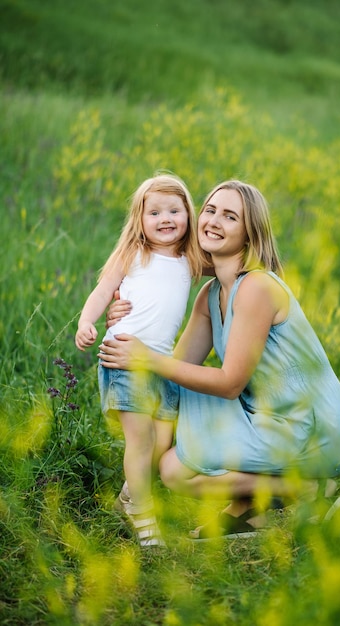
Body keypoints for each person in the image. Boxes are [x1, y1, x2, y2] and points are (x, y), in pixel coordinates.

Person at [99, 179, 340, 540]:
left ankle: (311, 491)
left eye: (230, 216)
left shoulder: (257, 288)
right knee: (168, 399)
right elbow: (174, 370)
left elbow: (229, 383)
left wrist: (145, 359)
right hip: (262, 417)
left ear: (250, 234)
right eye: (209, 210)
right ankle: (249, 505)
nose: (214, 221)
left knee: (175, 471)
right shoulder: (211, 293)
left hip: (311, 426)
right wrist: (129, 317)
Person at [75, 173, 201, 546]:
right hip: (124, 355)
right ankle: (143, 514)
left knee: (162, 438)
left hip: (161, 361)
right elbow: (102, 291)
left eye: (174, 210)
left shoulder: (190, 257)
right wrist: (87, 320)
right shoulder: (134, 253)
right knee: (141, 438)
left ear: (187, 215)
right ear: (139, 220)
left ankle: (128, 498)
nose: (166, 219)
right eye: (155, 212)